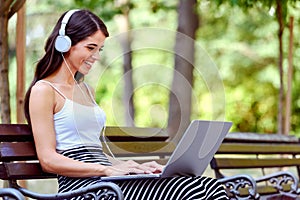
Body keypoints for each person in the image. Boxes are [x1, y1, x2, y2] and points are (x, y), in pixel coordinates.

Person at [24, 9, 229, 200]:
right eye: (90, 47)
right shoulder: (44, 91)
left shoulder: (86, 90)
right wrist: (106, 170)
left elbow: (95, 154)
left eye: (99, 49)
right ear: (64, 43)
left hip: (106, 183)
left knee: (208, 186)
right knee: (194, 190)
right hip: (82, 190)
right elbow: (48, 160)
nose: (96, 57)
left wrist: (133, 166)